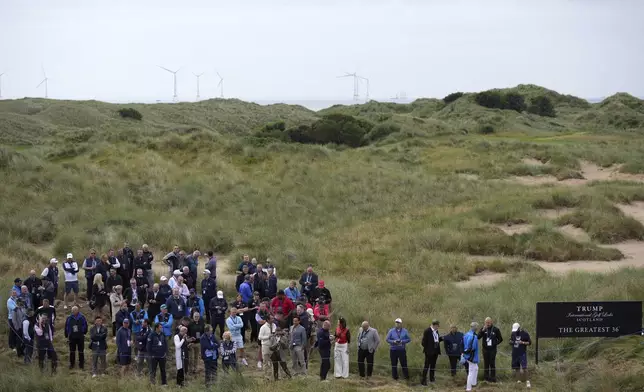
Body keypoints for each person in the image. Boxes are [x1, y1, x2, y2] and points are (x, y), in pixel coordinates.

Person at [478, 316, 503, 383]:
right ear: (484, 322)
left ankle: (493, 378)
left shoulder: (496, 329)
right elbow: (478, 337)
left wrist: (495, 343)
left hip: (492, 349)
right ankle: (486, 379)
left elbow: (500, 339)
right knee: (486, 364)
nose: (488, 324)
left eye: (489, 322)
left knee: (492, 363)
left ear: (491, 322)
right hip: (485, 349)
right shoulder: (483, 329)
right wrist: (483, 330)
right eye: (486, 322)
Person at [65, 306, 88, 370]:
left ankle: (81, 365)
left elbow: (85, 325)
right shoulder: (69, 318)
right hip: (72, 337)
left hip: (80, 336)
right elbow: (67, 326)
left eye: (75, 310)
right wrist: (67, 335)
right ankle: (72, 364)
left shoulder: (82, 317)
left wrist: (83, 331)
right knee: (72, 351)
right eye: (73, 310)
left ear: (78, 310)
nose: (74, 311)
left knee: (81, 351)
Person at [510, 322, 532, 389]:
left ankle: (528, 381)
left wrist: (522, 342)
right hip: (515, 353)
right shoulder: (513, 333)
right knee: (517, 368)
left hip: (522, 353)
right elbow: (510, 340)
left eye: (516, 329)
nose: (515, 331)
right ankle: (518, 381)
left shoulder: (525, 334)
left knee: (524, 368)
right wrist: (511, 342)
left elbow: (529, 342)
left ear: (519, 328)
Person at [421, 319, 443, 385]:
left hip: (435, 351)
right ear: (434, 325)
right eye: (437, 326)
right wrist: (428, 349)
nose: (438, 327)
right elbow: (423, 342)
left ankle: (432, 378)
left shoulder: (436, 331)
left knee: (433, 366)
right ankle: (423, 380)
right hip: (429, 352)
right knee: (426, 366)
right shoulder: (427, 331)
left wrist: (441, 339)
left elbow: (436, 339)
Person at [259, 313, 277, 379]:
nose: (273, 319)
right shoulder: (263, 327)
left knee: (273, 361)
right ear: (268, 319)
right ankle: (266, 376)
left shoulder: (274, 325)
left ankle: (274, 375)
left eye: (273, 318)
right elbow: (260, 337)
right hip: (266, 345)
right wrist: (268, 337)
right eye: (271, 318)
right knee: (266, 361)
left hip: (273, 345)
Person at [464, 322, 480, 392]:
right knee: (471, 372)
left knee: (476, 368)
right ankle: (469, 388)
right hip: (472, 356)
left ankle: (473, 383)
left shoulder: (466, 334)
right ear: (474, 327)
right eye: (477, 327)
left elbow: (463, 344)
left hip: (467, 355)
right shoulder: (474, 336)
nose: (477, 328)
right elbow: (473, 348)